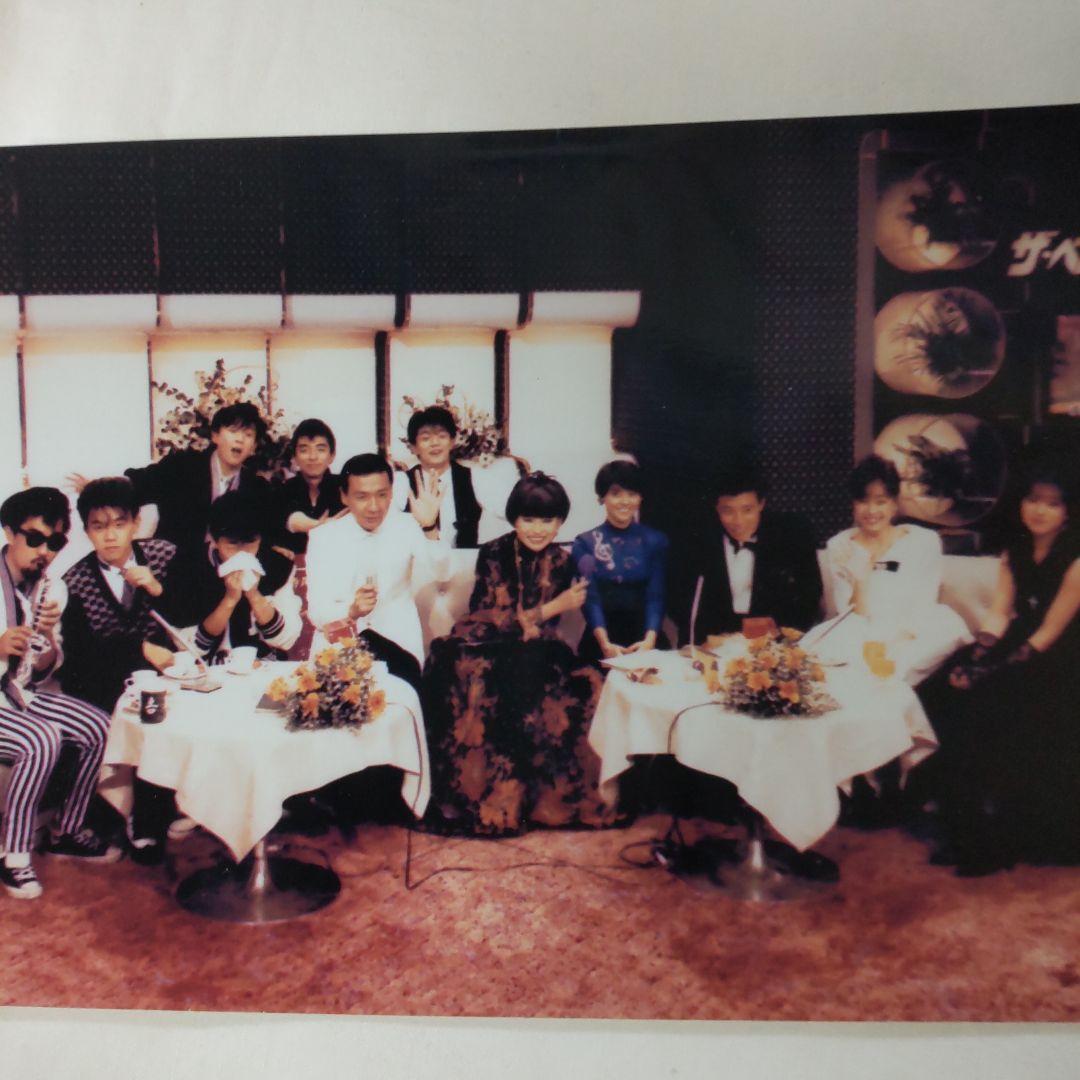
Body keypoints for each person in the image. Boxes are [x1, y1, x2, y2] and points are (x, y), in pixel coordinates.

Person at [422, 472, 615, 836]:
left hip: (541, 651)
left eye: (547, 520)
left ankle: (540, 805)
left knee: (584, 681)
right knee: (478, 674)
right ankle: (490, 806)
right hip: (487, 645)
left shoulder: (563, 561)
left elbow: (576, 614)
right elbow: (488, 616)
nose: (538, 530)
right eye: (529, 519)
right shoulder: (494, 552)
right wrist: (551, 607)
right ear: (514, 519)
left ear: (560, 521)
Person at [921, 463, 1080, 876]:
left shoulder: (1076, 559)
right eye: (1033, 499)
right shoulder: (1014, 549)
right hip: (1020, 640)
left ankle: (995, 844)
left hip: (1062, 657)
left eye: (1052, 504)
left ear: (1068, 512)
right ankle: (964, 828)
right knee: (942, 689)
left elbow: (1049, 633)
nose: (1039, 510)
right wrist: (976, 656)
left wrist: (988, 674)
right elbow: (998, 614)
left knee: (993, 706)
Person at [60, 477, 195, 864]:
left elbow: (193, 614)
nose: (110, 536)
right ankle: (142, 821)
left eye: (119, 524)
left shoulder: (164, 556)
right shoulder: (75, 581)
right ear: (86, 531)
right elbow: (80, 658)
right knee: (137, 718)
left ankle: (173, 806)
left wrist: (157, 589)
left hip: (172, 675)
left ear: (136, 522)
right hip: (107, 683)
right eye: (98, 527)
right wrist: (137, 650)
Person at [0, 487, 121, 900]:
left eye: (54, 543)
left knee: (100, 726)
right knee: (42, 738)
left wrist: (48, 636)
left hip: (19, 693)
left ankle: (66, 830)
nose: (44, 552)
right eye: (34, 538)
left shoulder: (51, 588)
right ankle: (14, 856)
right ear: (9, 532)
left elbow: (45, 667)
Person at [817, 455, 971, 684]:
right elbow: (849, 616)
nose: (872, 510)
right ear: (853, 504)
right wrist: (861, 580)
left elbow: (923, 605)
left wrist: (891, 647)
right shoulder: (839, 545)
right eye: (863, 501)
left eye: (881, 501)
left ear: (894, 504)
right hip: (860, 633)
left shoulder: (923, 541)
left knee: (893, 666)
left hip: (913, 632)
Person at [306, 453, 451, 690]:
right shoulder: (323, 538)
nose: (374, 507)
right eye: (362, 497)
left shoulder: (408, 526)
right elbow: (317, 612)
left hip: (399, 647)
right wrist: (351, 610)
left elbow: (442, 573)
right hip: (339, 646)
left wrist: (429, 527)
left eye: (382, 495)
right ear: (344, 496)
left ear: (392, 493)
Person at [94, 402, 273, 562]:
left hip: (227, 570)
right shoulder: (182, 466)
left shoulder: (258, 489)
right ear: (215, 436)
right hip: (173, 563)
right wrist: (100, 492)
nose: (240, 439)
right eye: (233, 431)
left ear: (254, 447)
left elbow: (268, 535)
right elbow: (139, 484)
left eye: (248, 435)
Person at [689, 467, 822, 641]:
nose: (738, 521)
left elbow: (809, 595)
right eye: (728, 511)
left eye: (747, 510)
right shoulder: (698, 541)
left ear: (761, 504)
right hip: (716, 643)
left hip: (776, 644)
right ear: (717, 508)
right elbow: (685, 606)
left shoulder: (791, 535)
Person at [570, 460, 670, 664]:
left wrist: (649, 641)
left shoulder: (656, 540)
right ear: (602, 497)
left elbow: (656, 595)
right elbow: (591, 599)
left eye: (632, 494)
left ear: (640, 497)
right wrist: (605, 644)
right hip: (601, 638)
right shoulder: (584, 543)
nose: (625, 501)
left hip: (647, 637)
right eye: (616, 494)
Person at [188, 491, 302, 664]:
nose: (242, 552)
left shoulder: (278, 565)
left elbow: (286, 640)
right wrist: (229, 600)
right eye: (232, 544)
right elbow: (187, 646)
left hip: (262, 665)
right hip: (205, 667)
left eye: (250, 543)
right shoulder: (193, 565)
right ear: (214, 540)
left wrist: (254, 596)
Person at [395, 405, 485, 548]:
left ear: (453, 441)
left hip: (465, 560)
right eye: (426, 438)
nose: (435, 443)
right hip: (418, 560)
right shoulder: (401, 482)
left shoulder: (474, 477)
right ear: (413, 447)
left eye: (442, 436)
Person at [273, 418, 341, 556]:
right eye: (304, 450)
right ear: (295, 456)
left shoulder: (345, 488)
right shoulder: (281, 492)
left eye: (320, 449)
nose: (312, 456)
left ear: (332, 456)